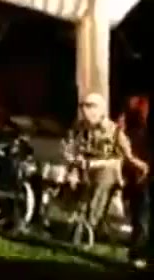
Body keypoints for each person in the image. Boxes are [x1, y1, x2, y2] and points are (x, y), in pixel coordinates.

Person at [62, 93, 147, 242]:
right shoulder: (78, 128)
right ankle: (75, 220)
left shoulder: (114, 131)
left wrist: (140, 166)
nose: (85, 110)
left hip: (106, 169)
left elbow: (125, 156)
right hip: (82, 168)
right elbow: (68, 149)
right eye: (82, 106)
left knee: (104, 177)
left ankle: (91, 223)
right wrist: (73, 163)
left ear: (101, 109)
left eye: (90, 106)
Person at [116, 95, 151, 267]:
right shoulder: (135, 133)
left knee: (141, 218)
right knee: (141, 218)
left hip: (140, 179)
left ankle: (139, 253)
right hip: (140, 180)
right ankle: (137, 254)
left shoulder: (132, 133)